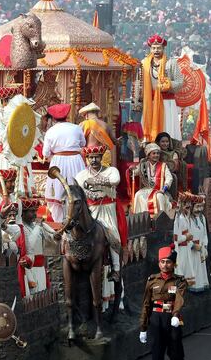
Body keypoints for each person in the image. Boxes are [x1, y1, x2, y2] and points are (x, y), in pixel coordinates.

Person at [74, 144, 126, 308]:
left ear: (102, 157)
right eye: (91, 158)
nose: (94, 160)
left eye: (97, 157)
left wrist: (91, 183)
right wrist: (100, 184)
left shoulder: (111, 171)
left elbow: (115, 181)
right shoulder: (81, 174)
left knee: (112, 235)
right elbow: (78, 187)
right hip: (90, 210)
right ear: (87, 159)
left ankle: (116, 269)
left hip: (107, 210)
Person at [139, 246, 187, 360]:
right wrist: (143, 327)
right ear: (159, 263)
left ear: (174, 264)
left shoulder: (179, 281)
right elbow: (146, 304)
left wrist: (175, 314)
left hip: (172, 320)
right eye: (162, 262)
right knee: (157, 357)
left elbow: (179, 299)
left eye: (168, 262)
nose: (165, 265)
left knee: (176, 356)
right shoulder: (152, 281)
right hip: (156, 320)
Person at [42, 103, 86, 222]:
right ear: (66, 116)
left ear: (53, 118)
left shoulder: (51, 131)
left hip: (58, 162)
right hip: (76, 161)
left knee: (57, 192)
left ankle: (59, 222)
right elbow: (83, 144)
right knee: (77, 190)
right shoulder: (76, 128)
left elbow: (45, 153)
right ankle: (77, 220)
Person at [137, 34, 184, 142]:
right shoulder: (144, 63)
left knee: (167, 126)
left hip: (167, 102)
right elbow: (140, 83)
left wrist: (168, 85)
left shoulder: (171, 63)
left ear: (163, 48)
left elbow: (180, 82)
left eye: (159, 48)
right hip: (150, 101)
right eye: (153, 48)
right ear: (150, 49)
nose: (156, 50)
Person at [13, 198, 54, 298]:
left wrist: (56, 235)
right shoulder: (20, 228)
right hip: (29, 269)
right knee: (32, 296)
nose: (35, 214)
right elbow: (30, 244)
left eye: (35, 211)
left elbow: (53, 237)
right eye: (32, 212)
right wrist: (38, 227)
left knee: (43, 295)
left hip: (41, 267)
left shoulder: (38, 226)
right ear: (23, 213)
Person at [132, 143, 173, 217]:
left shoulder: (163, 165)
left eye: (158, 153)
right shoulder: (143, 165)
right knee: (138, 195)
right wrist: (132, 170)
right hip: (147, 189)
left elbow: (169, 178)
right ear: (148, 155)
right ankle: (141, 218)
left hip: (159, 190)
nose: (156, 155)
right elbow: (134, 173)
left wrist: (164, 189)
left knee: (159, 197)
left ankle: (160, 218)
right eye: (154, 153)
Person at [78, 102, 115, 166]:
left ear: (86, 115)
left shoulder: (83, 124)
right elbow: (114, 141)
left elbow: (78, 141)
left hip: (91, 156)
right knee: (105, 174)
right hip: (105, 155)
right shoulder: (106, 125)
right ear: (97, 113)